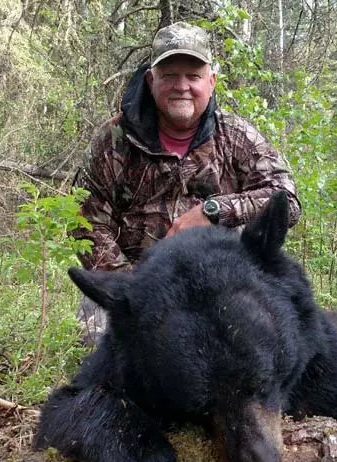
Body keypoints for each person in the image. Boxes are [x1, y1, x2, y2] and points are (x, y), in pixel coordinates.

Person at [72, 21, 301, 344]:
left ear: (211, 81)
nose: (182, 86)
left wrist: (213, 211)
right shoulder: (114, 140)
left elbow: (286, 200)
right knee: (103, 344)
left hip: (224, 279)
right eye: (169, 76)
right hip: (138, 279)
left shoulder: (237, 136)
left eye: (193, 76)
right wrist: (135, 282)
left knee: (271, 340)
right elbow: (85, 221)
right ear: (151, 80)